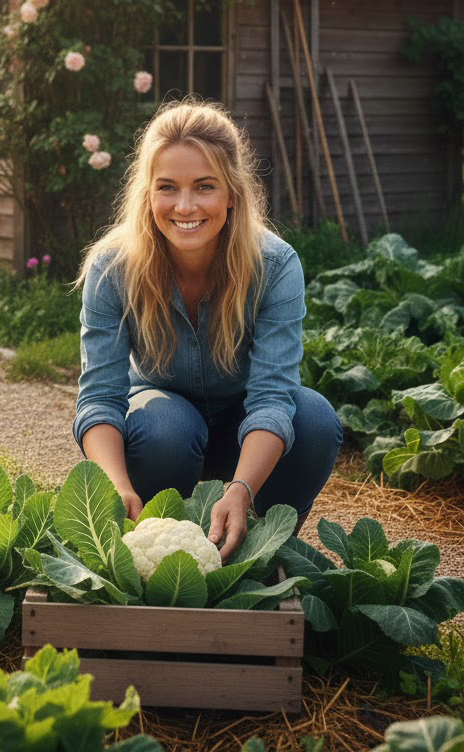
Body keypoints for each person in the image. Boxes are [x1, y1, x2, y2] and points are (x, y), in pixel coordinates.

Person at [73, 98, 341, 562]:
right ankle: (158, 543)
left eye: (204, 186)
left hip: (246, 428)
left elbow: (272, 398)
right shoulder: (112, 267)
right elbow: (99, 398)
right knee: (166, 428)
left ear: (232, 192)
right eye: (167, 187)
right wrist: (116, 486)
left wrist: (240, 488)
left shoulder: (276, 266)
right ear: (147, 193)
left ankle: (265, 544)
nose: (184, 206)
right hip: (164, 430)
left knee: (313, 419)